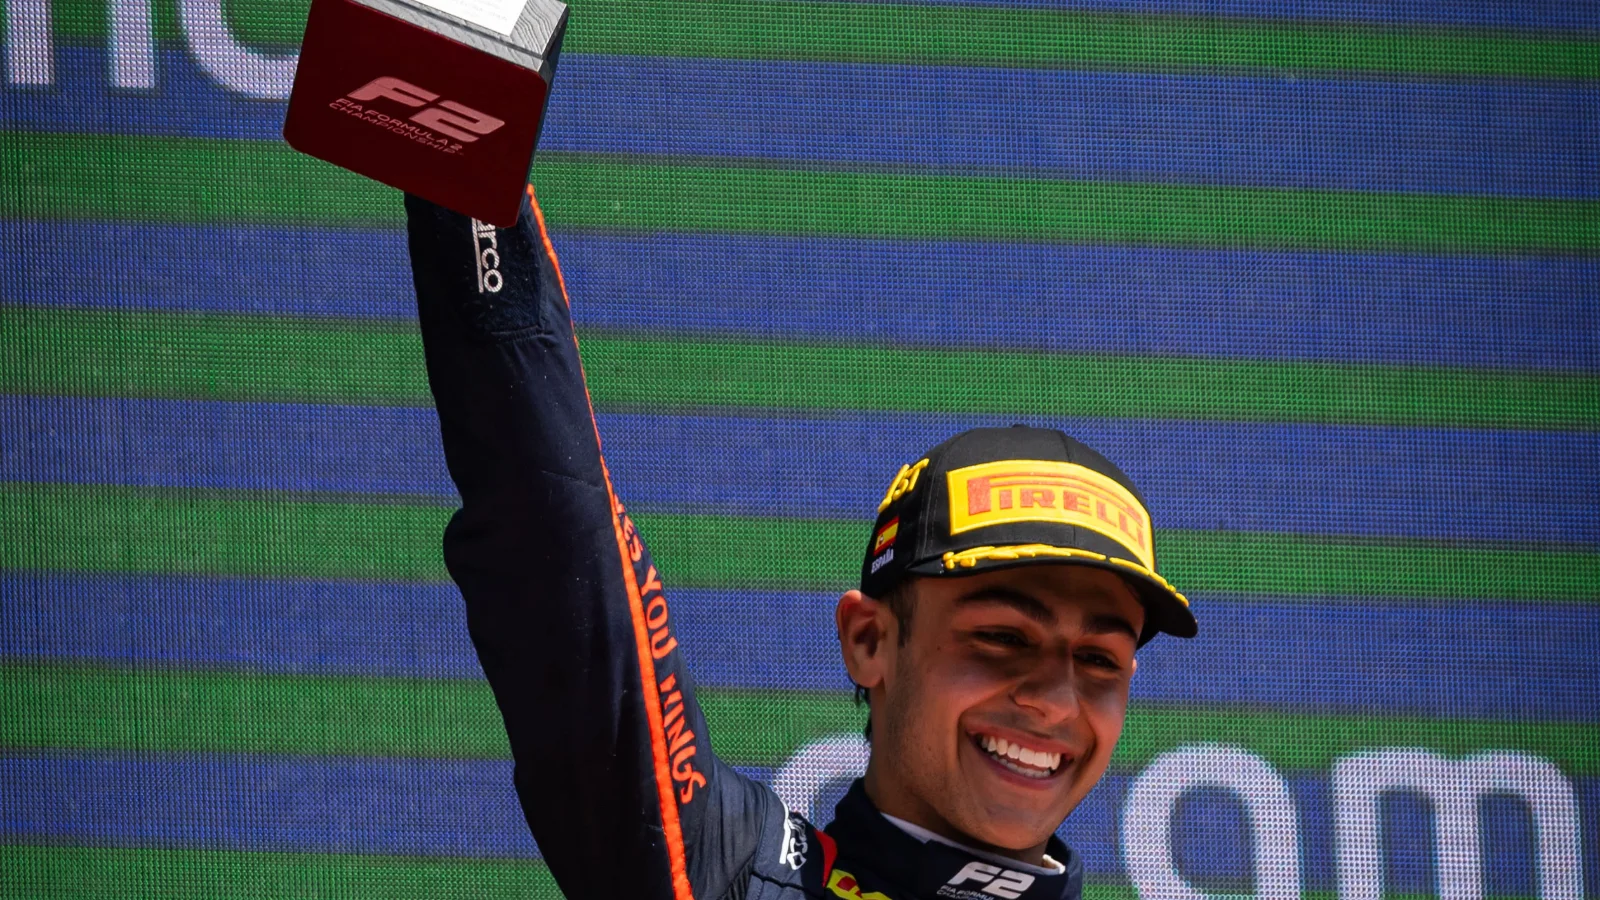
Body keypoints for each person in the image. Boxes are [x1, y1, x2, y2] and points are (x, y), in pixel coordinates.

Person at [405, 185, 1198, 900]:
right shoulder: (738, 874)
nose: (1055, 701)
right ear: (868, 641)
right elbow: (554, 540)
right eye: (1000, 637)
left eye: (1100, 660)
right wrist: (468, 165)